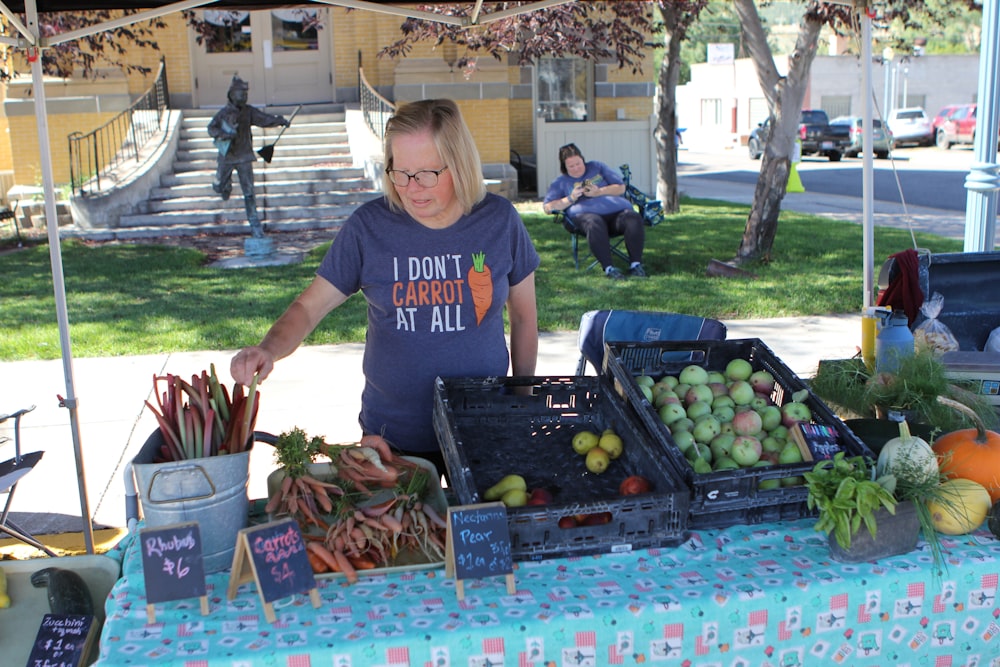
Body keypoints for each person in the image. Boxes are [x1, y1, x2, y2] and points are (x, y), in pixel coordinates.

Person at [230, 98, 540, 476]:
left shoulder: (499, 221)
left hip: (481, 429)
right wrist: (267, 349)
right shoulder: (369, 228)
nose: (411, 188)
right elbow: (309, 308)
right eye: (400, 172)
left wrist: (522, 404)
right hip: (392, 440)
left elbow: (524, 318)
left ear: (459, 164)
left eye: (427, 173)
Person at [542, 143, 648, 279]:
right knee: (594, 222)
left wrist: (599, 192)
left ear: (583, 159)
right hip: (585, 218)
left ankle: (636, 265)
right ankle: (609, 269)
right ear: (564, 167)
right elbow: (548, 208)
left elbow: (621, 188)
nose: (576, 168)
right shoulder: (561, 182)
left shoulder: (597, 167)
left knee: (633, 217)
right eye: (571, 166)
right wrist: (571, 198)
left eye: (578, 164)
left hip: (617, 215)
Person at [207, 75, 290, 239]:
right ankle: (225, 185)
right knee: (218, 186)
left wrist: (279, 120)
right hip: (227, 157)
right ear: (231, 94)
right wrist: (224, 134)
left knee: (249, 193)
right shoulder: (223, 114)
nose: (244, 96)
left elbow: (264, 119)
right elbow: (211, 129)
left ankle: (255, 226)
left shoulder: (249, 111)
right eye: (240, 93)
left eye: (245, 94)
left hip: (244, 156)